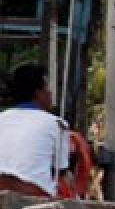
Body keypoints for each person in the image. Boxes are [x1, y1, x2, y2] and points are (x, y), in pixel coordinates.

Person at [0, 64, 70, 198]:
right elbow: (61, 172)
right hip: (34, 195)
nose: (50, 93)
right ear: (38, 93)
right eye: (47, 88)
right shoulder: (57, 124)